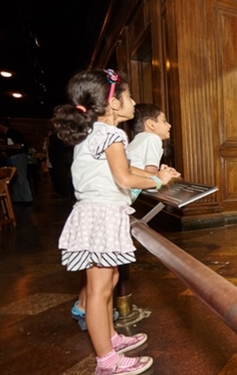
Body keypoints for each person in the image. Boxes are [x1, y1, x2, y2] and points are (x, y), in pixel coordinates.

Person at [52, 68, 181, 375]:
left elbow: (122, 169)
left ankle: (110, 337)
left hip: (96, 213)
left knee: (108, 280)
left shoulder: (93, 132)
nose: (134, 102)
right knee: (98, 290)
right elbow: (124, 177)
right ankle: (106, 361)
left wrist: (154, 175)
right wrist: (158, 180)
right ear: (113, 103)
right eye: (129, 96)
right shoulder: (112, 134)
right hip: (102, 214)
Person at [71, 103, 176, 329]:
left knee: (100, 270)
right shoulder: (144, 138)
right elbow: (132, 175)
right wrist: (160, 180)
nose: (168, 125)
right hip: (106, 208)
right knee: (103, 279)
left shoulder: (102, 134)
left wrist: (159, 177)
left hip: (94, 208)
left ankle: (85, 308)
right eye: (164, 120)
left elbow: (128, 166)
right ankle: (101, 331)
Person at [0, 118, 33, 203]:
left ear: (0, 125)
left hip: (18, 157)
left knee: (21, 177)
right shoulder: (7, 135)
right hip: (12, 157)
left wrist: (1, 146)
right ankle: (18, 199)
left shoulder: (14, 133)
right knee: (14, 179)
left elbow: (19, 146)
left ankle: (27, 199)